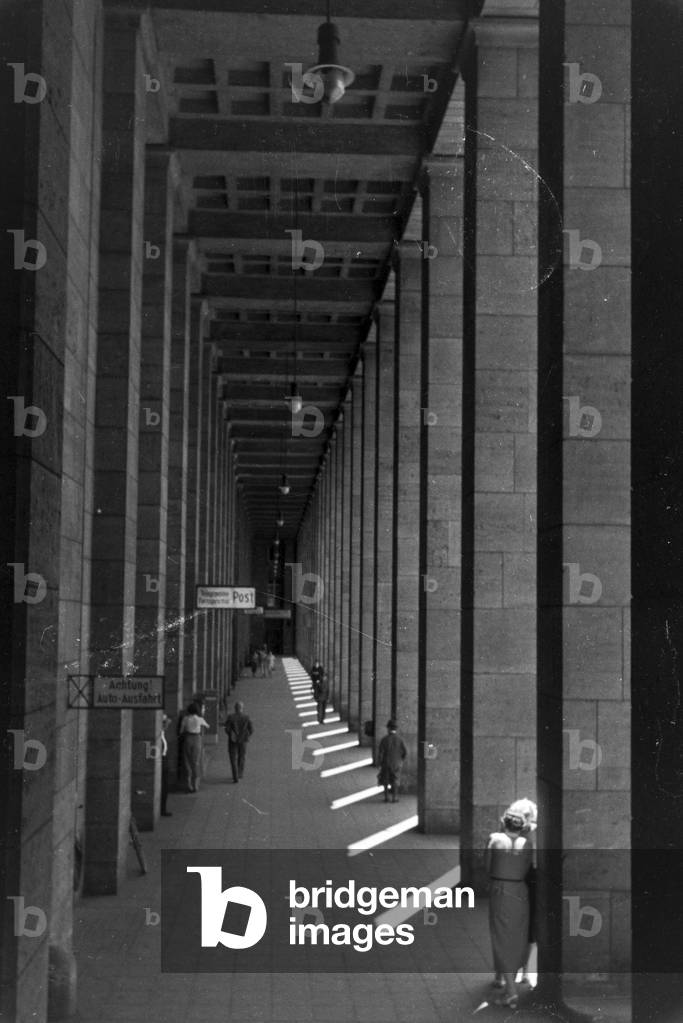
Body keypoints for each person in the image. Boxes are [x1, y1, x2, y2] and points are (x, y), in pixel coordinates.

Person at [486, 804, 535, 1009]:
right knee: (518, 935)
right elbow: (527, 868)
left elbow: (488, 866)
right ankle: (511, 978)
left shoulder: (494, 840)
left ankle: (510, 990)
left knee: (500, 935)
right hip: (520, 891)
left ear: (503, 822)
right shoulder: (527, 843)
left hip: (500, 889)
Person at [179, 701, 210, 792]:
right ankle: (195, 785)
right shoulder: (199, 719)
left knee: (187, 761)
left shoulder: (185, 718)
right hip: (197, 739)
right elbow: (208, 726)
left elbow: (181, 731)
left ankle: (188, 785)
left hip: (187, 738)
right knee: (195, 761)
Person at [377, 719, 407, 803]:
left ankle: (386, 797)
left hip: (386, 763)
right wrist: (401, 760)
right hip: (397, 763)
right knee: (395, 780)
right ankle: (395, 798)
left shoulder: (384, 739)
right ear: (396, 729)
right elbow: (405, 752)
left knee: (385, 780)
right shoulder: (400, 740)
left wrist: (380, 763)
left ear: (388, 728)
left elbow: (380, 753)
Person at [224, 700, 254, 782]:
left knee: (233, 758)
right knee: (241, 757)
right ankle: (240, 773)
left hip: (232, 740)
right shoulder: (246, 717)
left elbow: (226, 729)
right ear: (242, 708)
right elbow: (251, 729)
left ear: (235, 708)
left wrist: (231, 735)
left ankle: (235, 776)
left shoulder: (231, 717)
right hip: (243, 740)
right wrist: (246, 735)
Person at [159, 714, 172, 816]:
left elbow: (169, 721)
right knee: (164, 786)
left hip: (164, 760)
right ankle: (162, 809)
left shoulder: (162, 733)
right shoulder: (159, 734)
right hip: (161, 761)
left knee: (165, 786)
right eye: (164, 723)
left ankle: (163, 808)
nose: (167, 724)